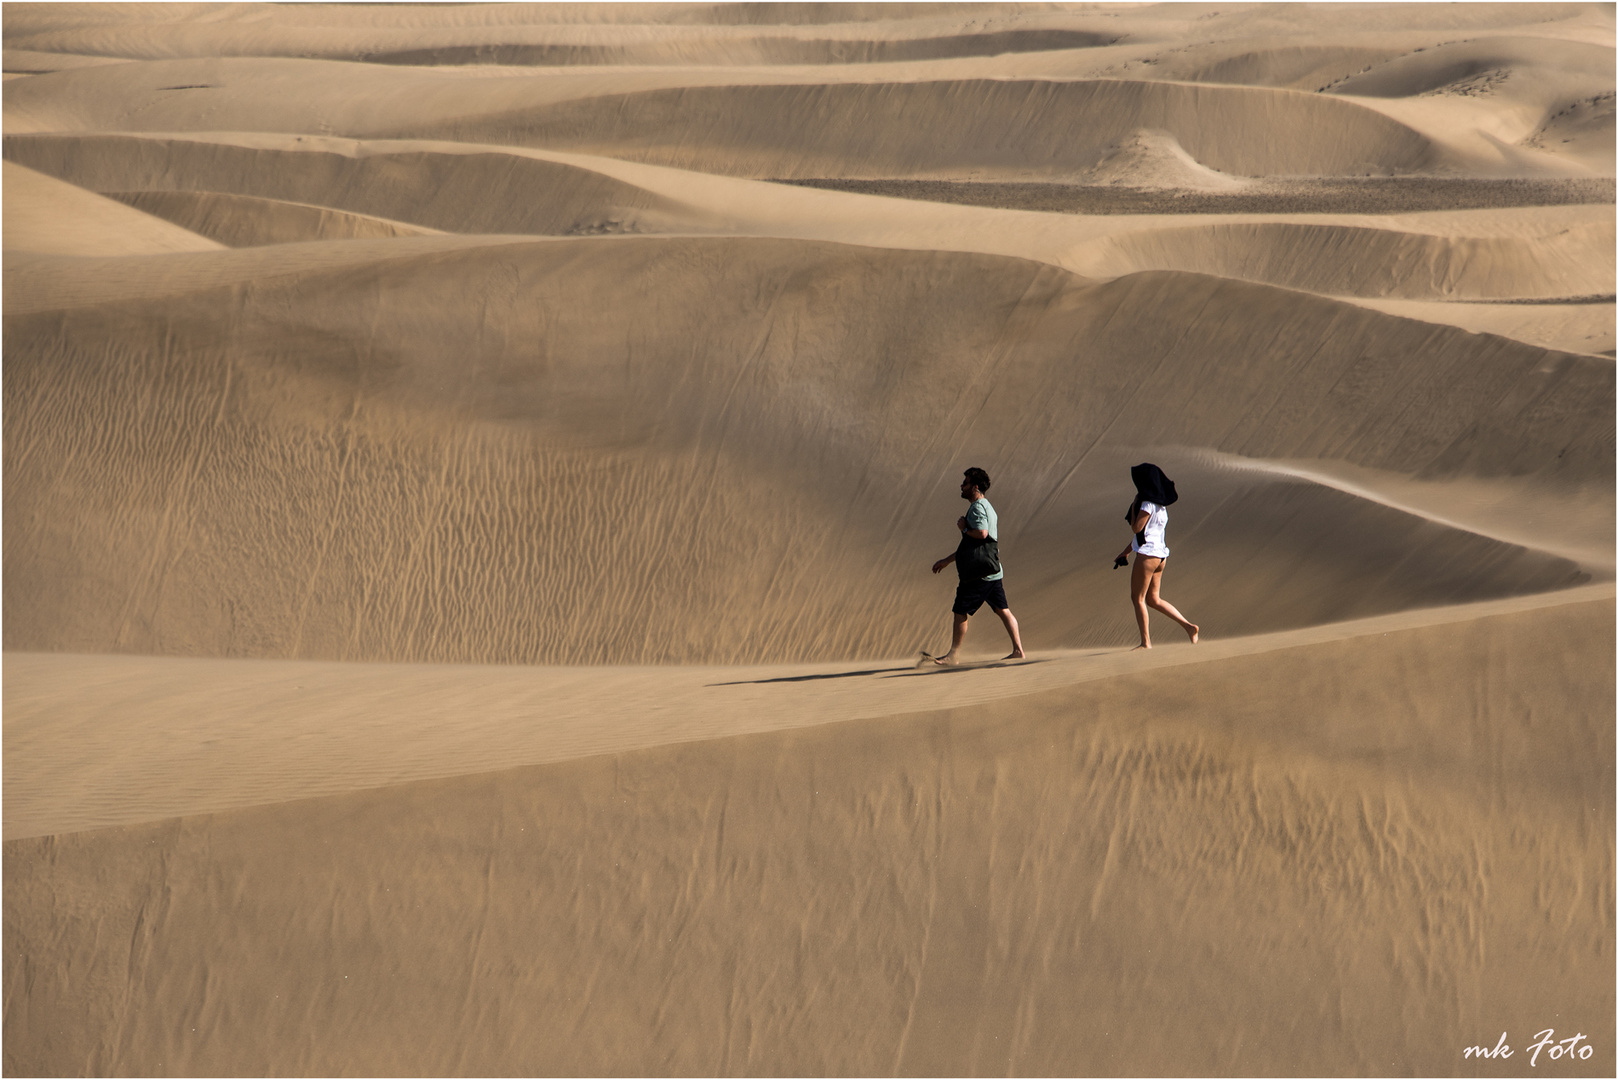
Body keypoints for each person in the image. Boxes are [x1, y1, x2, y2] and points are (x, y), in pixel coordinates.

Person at [930, 467, 1025, 664]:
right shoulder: (989, 507)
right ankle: (1018, 650)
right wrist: (947, 561)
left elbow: (981, 534)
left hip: (978, 575)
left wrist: (964, 528)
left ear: (974, 487)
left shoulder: (977, 508)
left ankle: (953, 656)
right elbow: (973, 548)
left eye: (964, 483)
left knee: (960, 610)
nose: (961, 486)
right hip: (992, 571)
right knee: (1003, 610)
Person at [1113, 462, 1199, 650]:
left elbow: (1137, 528)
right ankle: (1189, 627)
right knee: (1153, 599)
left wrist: (1135, 505)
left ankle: (1146, 643)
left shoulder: (1147, 504)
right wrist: (1126, 552)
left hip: (1148, 557)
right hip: (1160, 556)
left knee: (1138, 599)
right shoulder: (1161, 506)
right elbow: (1146, 536)